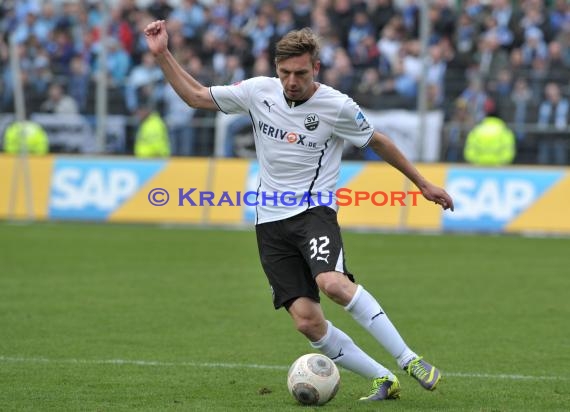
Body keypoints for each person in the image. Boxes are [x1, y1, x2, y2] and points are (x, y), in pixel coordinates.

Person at [144, 20, 454, 401]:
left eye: (301, 73)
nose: (292, 81)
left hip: (313, 212)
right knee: (308, 322)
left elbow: (379, 142)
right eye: (285, 72)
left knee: (333, 283)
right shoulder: (258, 92)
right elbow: (195, 96)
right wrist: (162, 55)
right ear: (276, 68)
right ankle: (383, 378)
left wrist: (422, 183)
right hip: (269, 223)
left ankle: (409, 359)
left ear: (317, 69)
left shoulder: (337, 106)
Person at [464, 99, 516, 166]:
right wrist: (499, 163)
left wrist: (477, 163)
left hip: (478, 169)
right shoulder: (505, 131)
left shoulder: (476, 130)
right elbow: (508, 153)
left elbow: (469, 152)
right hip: (499, 169)